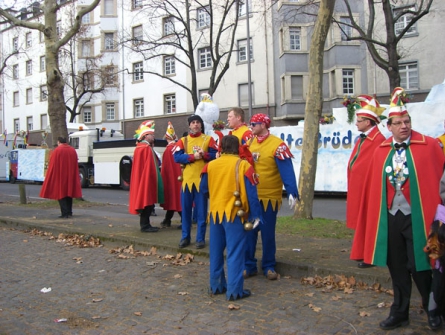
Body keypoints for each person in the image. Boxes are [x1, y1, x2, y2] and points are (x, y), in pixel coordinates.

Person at [361, 87, 445, 330]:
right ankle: (399, 312)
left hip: (420, 216)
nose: (404, 126)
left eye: (407, 122)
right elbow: (373, 187)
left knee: (422, 265)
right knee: (396, 266)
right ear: (390, 126)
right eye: (398, 123)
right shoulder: (380, 150)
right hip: (390, 217)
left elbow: (438, 181)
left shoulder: (429, 146)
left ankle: (433, 309)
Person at [200, 135, 262, 300]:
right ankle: (234, 291)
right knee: (235, 252)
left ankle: (216, 285)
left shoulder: (210, 166)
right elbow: (252, 194)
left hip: (215, 213)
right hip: (235, 213)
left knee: (215, 251)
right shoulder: (244, 166)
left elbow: (203, 189)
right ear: (238, 147)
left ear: (221, 147)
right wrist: (256, 216)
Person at [244, 113, 299, 280]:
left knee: (268, 233)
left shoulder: (278, 145)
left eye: (254, 123)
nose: (251, 126)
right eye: (251, 123)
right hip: (251, 197)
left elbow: (287, 170)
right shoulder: (249, 143)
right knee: (249, 233)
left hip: (268, 197)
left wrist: (292, 191)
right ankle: (249, 265)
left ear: (264, 125)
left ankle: (268, 265)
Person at [347, 95, 386, 268]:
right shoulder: (365, 138)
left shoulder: (378, 141)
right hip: (360, 188)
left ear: (369, 122)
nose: (356, 123)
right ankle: (363, 252)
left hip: (370, 190)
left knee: (370, 222)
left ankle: (370, 255)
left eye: (359, 120)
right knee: (362, 222)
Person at [173, 115, 218, 249]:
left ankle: (200, 238)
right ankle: (185, 237)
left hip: (201, 180)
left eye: (198, 122)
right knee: (186, 211)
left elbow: (216, 155)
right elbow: (176, 157)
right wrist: (193, 157)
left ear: (201, 125)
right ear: (189, 125)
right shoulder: (183, 141)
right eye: (193, 122)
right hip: (187, 180)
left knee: (201, 212)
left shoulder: (208, 139)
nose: (195, 125)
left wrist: (204, 155)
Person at [128, 120, 163, 233]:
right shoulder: (146, 148)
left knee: (146, 202)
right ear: (146, 136)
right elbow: (151, 166)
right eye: (151, 134)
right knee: (147, 202)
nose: (153, 136)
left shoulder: (139, 147)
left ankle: (145, 224)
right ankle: (145, 225)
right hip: (146, 179)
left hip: (141, 179)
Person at [40, 136, 82, 218]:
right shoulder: (72, 150)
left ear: (59, 142)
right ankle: (69, 212)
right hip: (70, 175)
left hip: (60, 175)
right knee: (69, 193)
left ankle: (64, 213)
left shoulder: (57, 151)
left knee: (61, 193)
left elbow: (52, 164)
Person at [160, 122, 182, 228]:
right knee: (175, 200)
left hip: (170, 178)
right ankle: (167, 220)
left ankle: (182, 220)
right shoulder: (177, 147)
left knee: (174, 200)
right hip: (178, 177)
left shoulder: (168, 150)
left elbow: (166, 167)